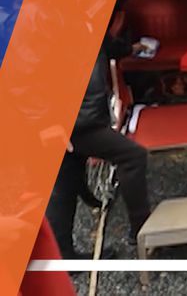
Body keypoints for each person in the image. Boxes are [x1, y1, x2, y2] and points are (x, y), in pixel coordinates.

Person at [46, 32, 152, 258]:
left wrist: (131, 48)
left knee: (66, 183)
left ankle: (63, 255)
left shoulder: (85, 16)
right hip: (77, 120)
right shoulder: (47, 22)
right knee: (132, 156)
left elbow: (107, 45)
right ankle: (141, 230)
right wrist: (48, 122)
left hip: (81, 115)